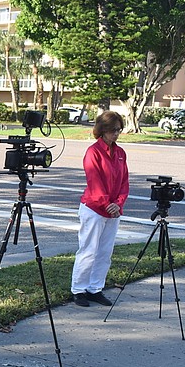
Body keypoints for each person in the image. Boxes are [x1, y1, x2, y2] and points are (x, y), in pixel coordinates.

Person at [70, 110, 129, 307]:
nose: (116, 134)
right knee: (88, 250)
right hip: (94, 209)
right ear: (102, 130)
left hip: (113, 211)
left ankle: (95, 288)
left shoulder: (120, 153)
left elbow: (124, 182)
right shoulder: (93, 152)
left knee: (105, 252)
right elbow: (94, 182)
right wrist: (106, 204)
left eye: (118, 130)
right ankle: (78, 289)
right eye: (113, 130)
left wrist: (118, 203)